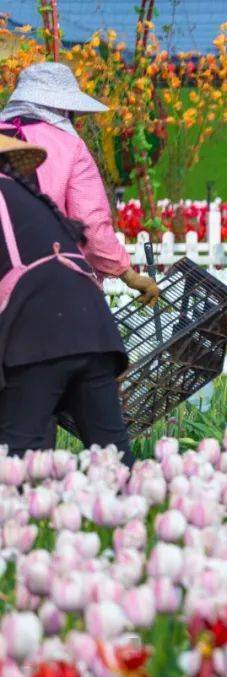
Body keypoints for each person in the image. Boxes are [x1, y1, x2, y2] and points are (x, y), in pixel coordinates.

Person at [0, 135, 133, 465]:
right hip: (93, 330)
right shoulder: (22, 196)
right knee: (115, 464)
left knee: (15, 467)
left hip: (39, 333)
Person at [0, 62, 159, 302]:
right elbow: (90, 225)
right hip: (44, 281)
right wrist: (130, 276)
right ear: (63, 109)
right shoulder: (69, 147)